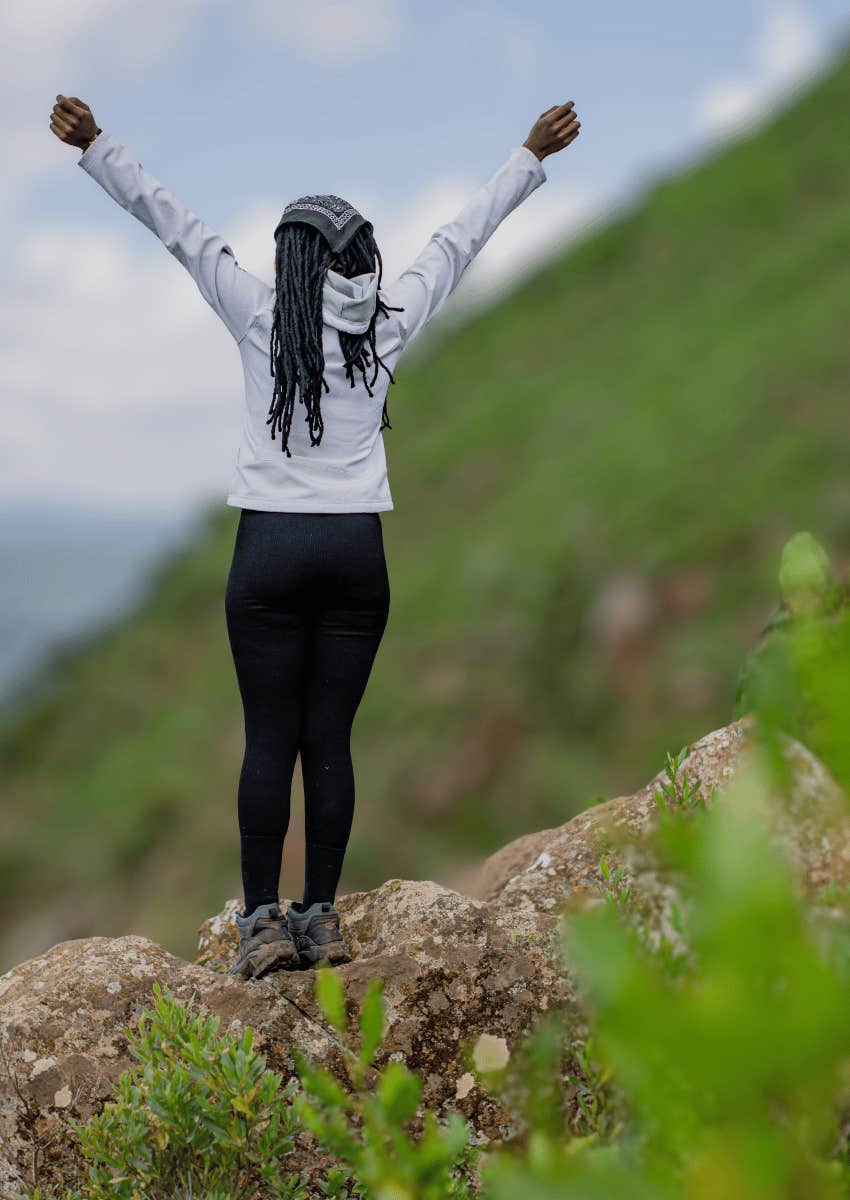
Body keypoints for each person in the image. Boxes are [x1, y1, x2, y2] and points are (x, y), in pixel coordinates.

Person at [50, 93, 581, 979]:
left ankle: (263, 923)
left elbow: (174, 225)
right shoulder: (388, 324)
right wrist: (529, 155)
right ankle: (322, 918)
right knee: (329, 741)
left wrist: (98, 143)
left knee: (270, 739)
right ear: (363, 260)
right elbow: (459, 241)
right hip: (354, 556)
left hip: (270, 551)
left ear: (292, 263)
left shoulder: (260, 318)